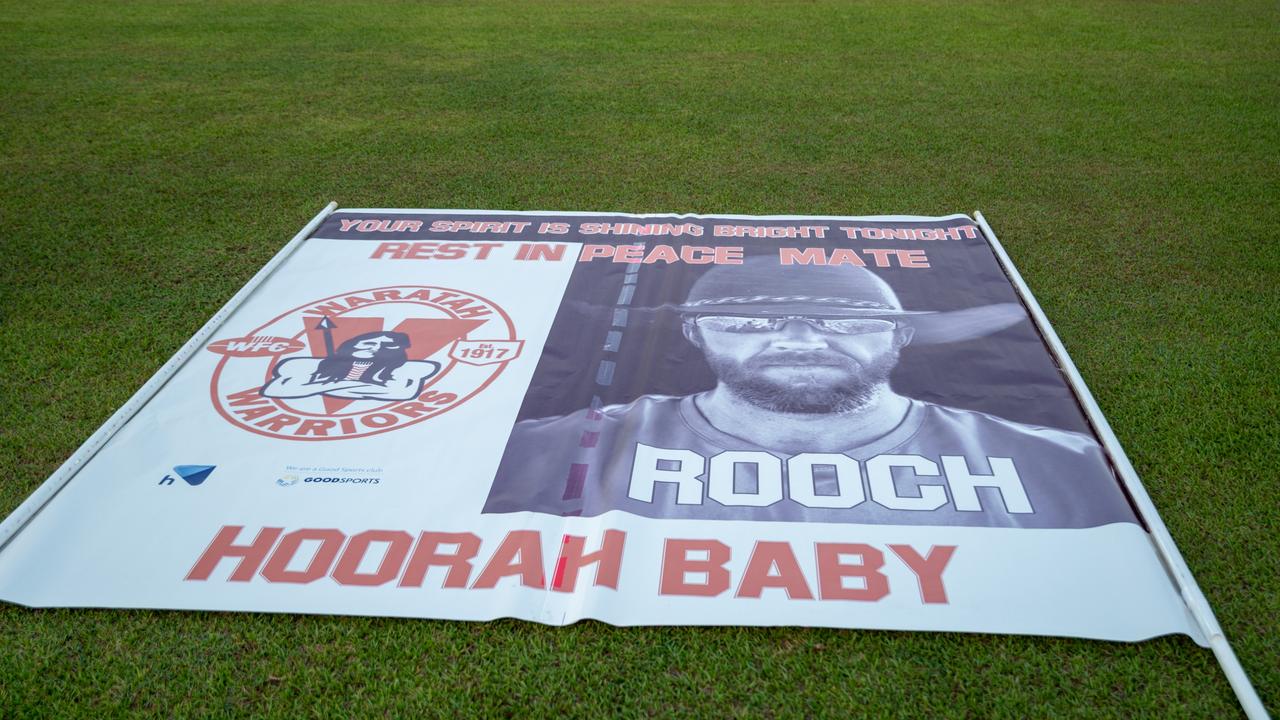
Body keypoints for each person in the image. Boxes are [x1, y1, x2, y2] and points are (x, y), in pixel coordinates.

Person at [483, 258, 1137, 529]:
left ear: (902, 334)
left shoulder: (1059, 468)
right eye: (754, 320)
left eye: (841, 319)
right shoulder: (539, 456)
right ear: (693, 331)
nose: (799, 338)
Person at [261, 331, 439, 401]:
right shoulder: (299, 363)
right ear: (351, 344)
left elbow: (399, 393)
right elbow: (276, 391)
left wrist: (316, 387)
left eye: (388, 346)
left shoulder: (415, 368)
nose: (376, 349)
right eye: (368, 344)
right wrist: (362, 387)